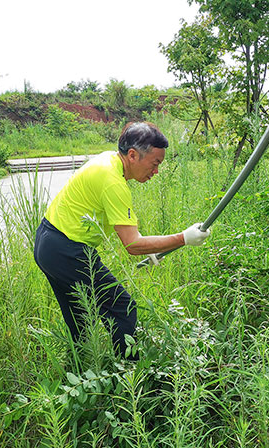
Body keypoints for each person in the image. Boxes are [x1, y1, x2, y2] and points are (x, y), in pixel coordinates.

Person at [33, 122, 211, 359]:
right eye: (155, 163)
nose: (156, 171)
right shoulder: (113, 182)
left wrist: (155, 246)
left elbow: (128, 231)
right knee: (123, 309)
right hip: (67, 250)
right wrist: (183, 239)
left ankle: (79, 371)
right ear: (133, 155)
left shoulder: (108, 160)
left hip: (47, 243)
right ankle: (129, 375)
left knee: (80, 319)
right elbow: (132, 245)